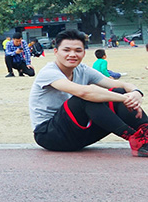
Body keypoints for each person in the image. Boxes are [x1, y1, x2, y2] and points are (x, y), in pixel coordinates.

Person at [28, 29, 148, 157]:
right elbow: (84, 93)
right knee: (84, 98)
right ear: (56, 52)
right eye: (66, 50)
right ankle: (135, 138)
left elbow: (120, 85)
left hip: (80, 134)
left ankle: (145, 135)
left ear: (84, 53)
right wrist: (124, 99)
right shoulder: (49, 72)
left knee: (118, 91)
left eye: (78, 51)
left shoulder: (83, 70)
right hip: (50, 135)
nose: (72, 54)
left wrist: (136, 93)